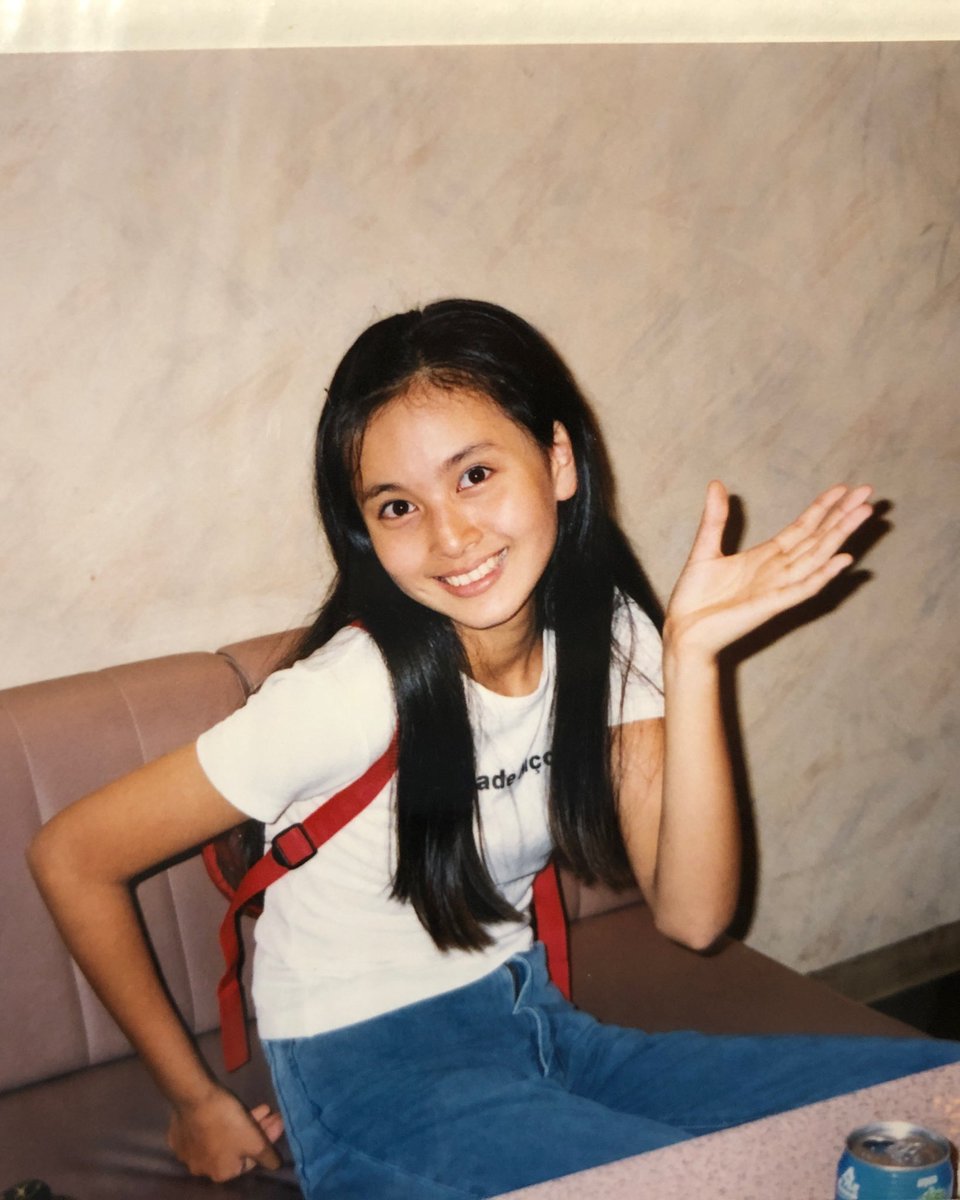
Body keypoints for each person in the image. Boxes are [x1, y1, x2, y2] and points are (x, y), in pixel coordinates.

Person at [28, 300, 959, 1199]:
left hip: (537, 1022)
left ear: (558, 461)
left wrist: (693, 658)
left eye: (475, 475)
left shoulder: (610, 636)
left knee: (936, 1102)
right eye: (398, 506)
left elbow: (693, 918)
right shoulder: (349, 693)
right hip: (369, 1072)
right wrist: (194, 1103)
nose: (450, 537)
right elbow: (71, 854)